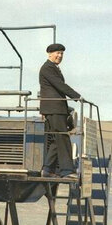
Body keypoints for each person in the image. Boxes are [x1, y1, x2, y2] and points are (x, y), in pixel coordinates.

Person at [39, 43, 81, 179]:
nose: (60, 56)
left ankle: (47, 169)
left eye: (62, 53)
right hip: (54, 108)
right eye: (57, 53)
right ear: (50, 54)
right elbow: (60, 85)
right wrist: (77, 97)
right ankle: (67, 170)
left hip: (56, 108)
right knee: (62, 137)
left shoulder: (53, 68)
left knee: (57, 140)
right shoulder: (47, 68)